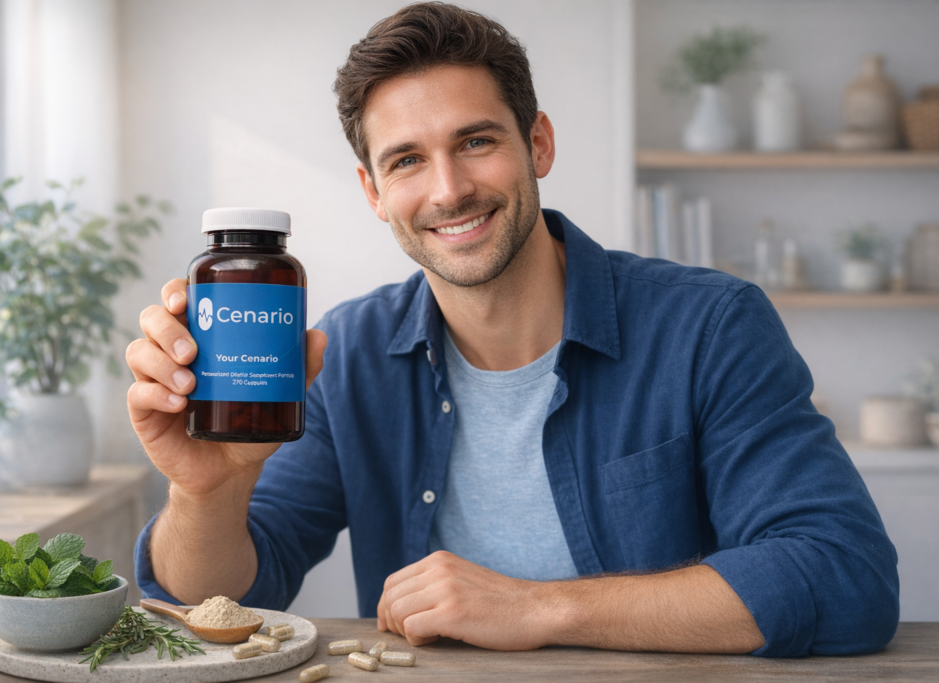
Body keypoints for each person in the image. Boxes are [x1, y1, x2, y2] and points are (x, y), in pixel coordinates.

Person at [127, 2, 898, 657]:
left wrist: (538, 606)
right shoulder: (348, 354)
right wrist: (206, 489)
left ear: (538, 144)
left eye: (476, 141)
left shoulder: (709, 327)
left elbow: (842, 574)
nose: (449, 189)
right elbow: (220, 604)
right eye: (406, 160)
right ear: (373, 191)